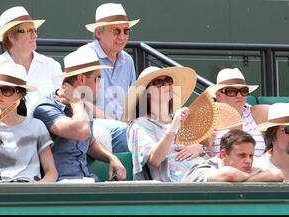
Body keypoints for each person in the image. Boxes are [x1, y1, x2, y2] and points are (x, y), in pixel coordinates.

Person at [33, 47, 126, 182]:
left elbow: (90, 142)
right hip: (58, 187)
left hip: (84, 182)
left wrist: (111, 157)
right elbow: (81, 131)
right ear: (81, 79)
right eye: (97, 78)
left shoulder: (82, 107)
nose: (100, 85)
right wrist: (75, 101)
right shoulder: (45, 107)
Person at [205, 68, 289, 158]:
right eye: (232, 91)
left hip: (259, 176)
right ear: (219, 95)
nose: (239, 95)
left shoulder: (257, 113)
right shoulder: (207, 119)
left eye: (244, 91)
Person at [125, 66, 207, 182]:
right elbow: (155, 159)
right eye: (158, 83)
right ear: (147, 93)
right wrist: (174, 126)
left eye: (168, 81)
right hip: (181, 180)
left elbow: (207, 155)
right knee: (229, 174)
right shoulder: (140, 125)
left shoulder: (181, 120)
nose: (166, 86)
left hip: (203, 170)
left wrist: (200, 148)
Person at [82, 3, 140, 153]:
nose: (122, 37)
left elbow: (131, 100)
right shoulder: (86, 56)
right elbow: (82, 102)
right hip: (90, 122)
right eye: (116, 31)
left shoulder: (128, 60)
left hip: (120, 124)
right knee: (123, 130)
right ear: (98, 32)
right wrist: (117, 122)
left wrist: (129, 121)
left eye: (126, 31)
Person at [182, 129, 284, 182]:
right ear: (224, 154)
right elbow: (229, 174)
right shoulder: (200, 168)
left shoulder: (247, 170)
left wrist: (244, 178)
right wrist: (253, 177)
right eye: (242, 155)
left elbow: (278, 175)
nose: (248, 161)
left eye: (251, 156)